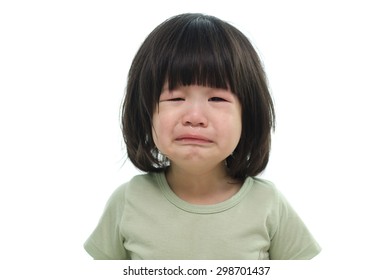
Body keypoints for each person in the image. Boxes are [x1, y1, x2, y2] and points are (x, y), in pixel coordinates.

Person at [84, 13, 321, 260]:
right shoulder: (128, 201)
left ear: (248, 116)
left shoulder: (268, 204)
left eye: (217, 99)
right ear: (144, 113)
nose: (195, 116)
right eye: (175, 98)